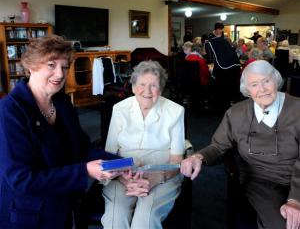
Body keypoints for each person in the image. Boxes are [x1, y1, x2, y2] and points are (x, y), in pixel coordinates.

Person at [0, 35, 120, 229]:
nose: (60, 74)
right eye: (51, 65)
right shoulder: (10, 111)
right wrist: (85, 171)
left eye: (64, 67)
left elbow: (82, 148)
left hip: (64, 207)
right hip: (29, 215)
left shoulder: (62, 103)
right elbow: (21, 179)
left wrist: (120, 163)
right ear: (30, 67)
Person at [180, 60, 300, 229]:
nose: (262, 89)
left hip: (297, 176)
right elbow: (218, 146)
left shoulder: (297, 108)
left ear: (276, 80)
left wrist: (295, 199)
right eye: (254, 84)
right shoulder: (236, 113)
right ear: (247, 91)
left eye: (267, 81)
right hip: (261, 182)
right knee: (284, 224)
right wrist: (198, 156)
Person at [101, 60, 185, 229]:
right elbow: (108, 155)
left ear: (160, 90)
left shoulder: (175, 111)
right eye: (142, 84)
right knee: (115, 218)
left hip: (162, 174)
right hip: (122, 173)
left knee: (144, 220)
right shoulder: (119, 109)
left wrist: (156, 177)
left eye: (153, 86)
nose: (147, 91)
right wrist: (124, 179)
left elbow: (177, 160)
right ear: (133, 87)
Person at [205, 21, 241, 112]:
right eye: (219, 30)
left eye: (221, 30)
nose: (220, 32)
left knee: (219, 85)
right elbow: (212, 55)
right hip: (229, 66)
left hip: (223, 67)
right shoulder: (212, 39)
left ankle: (219, 104)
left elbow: (213, 55)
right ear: (216, 29)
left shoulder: (218, 40)